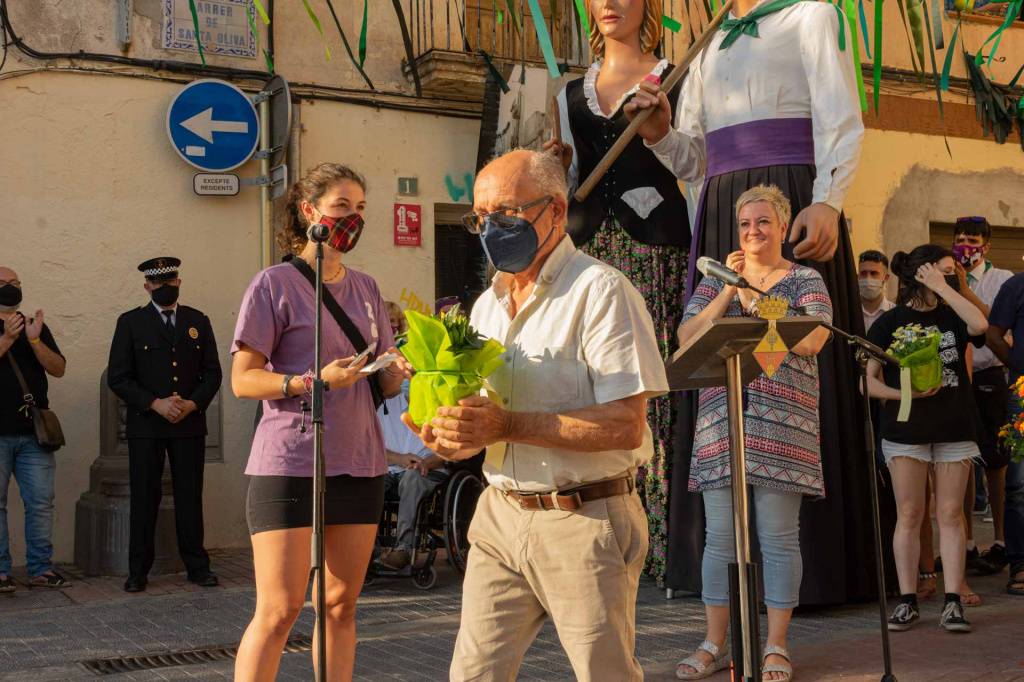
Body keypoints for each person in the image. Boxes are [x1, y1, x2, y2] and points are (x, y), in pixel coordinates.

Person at [625, 0, 879, 603]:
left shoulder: (812, 14)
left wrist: (829, 199)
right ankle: (719, 580)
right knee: (723, 359)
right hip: (723, 213)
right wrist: (661, 134)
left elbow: (840, 115)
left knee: (795, 352)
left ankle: (811, 572)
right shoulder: (705, 43)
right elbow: (695, 160)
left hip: (793, 192)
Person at [405, 149, 668, 681]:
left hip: (584, 521)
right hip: (499, 516)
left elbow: (625, 424)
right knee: (472, 675)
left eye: (505, 213)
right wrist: (450, 437)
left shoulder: (601, 291)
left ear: (554, 209)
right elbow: (481, 431)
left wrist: (507, 425)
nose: (489, 229)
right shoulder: (485, 306)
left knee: (606, 675)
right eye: (479, 218)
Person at [230, 163, 412, 682]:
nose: (353, 219)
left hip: (359, 459)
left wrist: (394, 371)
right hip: (290, 460)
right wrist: (312, 382)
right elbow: (244, 380)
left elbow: (384, 383)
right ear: (310, 212)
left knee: (338, 604)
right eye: (341, 207)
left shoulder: (368, 287)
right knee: (280, 609)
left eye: (359, 209)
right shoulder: (273, 285)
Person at [544, 0, 689, 581]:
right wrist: (555, 167)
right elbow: (571, 182)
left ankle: (665, 533)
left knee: (652, 385)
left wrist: (662, 130)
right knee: (591, 383)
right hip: (590, 252)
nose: (609, 4)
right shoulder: (566, 92)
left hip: (655, 247)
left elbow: (692, 161)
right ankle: (597, 526)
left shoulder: (679, 71)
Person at [674, 186, 832, 681]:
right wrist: (727, 288)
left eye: (762, 222)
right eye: (745, 224)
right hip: (722, 427)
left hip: (783, 429)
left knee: (778, 539)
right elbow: (686, 337)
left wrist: (757, 301)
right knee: (720, 540)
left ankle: (776, 646)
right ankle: (715, 643)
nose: (752, 232)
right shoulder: (718, 281)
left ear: (782, 227)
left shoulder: (805, 279)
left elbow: (812, 339)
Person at [865, 244, 989, 634]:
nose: (951, 276)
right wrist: (909, 395)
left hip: (954, 426)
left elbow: (982, 327)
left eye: (952, 272)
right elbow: (867, 382)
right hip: (906, 431)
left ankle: (953, 602)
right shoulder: (889, 322)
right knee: (911, 513)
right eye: (944, 270)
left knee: (951, 513)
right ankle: (908, 600)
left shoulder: (953, 313)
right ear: (920, 272)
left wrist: (947, 287)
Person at [107, 257, 222, 593]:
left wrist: (192, 403)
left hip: (188, 423)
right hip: (147, 425)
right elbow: (118, 376)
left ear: (179, 282)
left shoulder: (197, 321)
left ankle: (197, 567)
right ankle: (138, 571)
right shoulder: (130, 323)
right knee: (145, 496)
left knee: (190, 496)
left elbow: (212, 372)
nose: (165, 287)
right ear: (147, 287)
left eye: (170, 281)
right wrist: (155, 403)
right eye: (158, 284)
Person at [951, 217, 1014, 576]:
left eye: (972, 240)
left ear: (986, 246)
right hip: (960, 377)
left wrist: (965, 290)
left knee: (996, 461)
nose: (965, 245)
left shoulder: (1000, 279)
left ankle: (1002, 542)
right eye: (959, 239)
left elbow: (997, 324)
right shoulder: (946, 273)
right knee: (961, 458)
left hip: (991, 375)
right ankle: (967, 543)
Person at [0, 267, 68, 592]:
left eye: (16, 282)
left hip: (34, 434)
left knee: (41, 502)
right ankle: (1, 572)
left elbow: (59, 369)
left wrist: (34, 340)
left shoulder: (33, 326)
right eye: (3, 284)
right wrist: (7, 340)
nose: (11, 288)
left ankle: (40, 569)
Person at [374, 305, 447, 571]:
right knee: (367, 479)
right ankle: (367, 555)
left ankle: (402, 551)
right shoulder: (382, 404)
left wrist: (428, 461)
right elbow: (369, 448)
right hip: (389, 471)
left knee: (415, 477)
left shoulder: (434, 403)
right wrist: (398, 458)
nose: (407, 372)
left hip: (426, 474)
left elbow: (449, 448)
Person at [987, 266, 1024, 596]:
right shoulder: (1016, 286)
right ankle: (1021, 564)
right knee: (1019, 483)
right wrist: (1019, 365)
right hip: (1023, 391)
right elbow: (993, 334)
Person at [859, 249, 895, 332]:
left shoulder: (895, 313)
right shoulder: (847, 313)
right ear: (857, 276)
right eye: (863, 273)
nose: (868, 278)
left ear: (885, 278)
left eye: (873, 273)